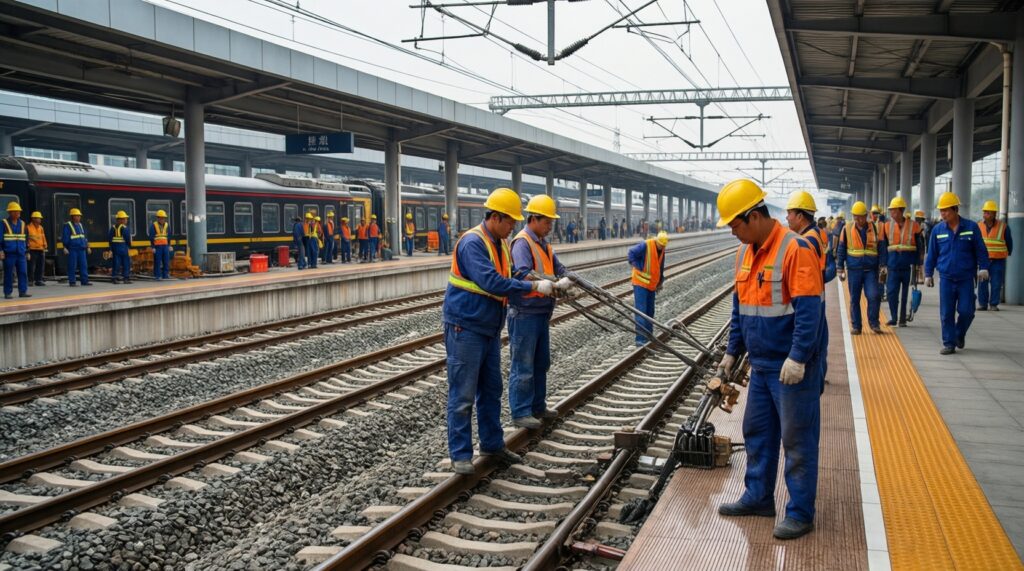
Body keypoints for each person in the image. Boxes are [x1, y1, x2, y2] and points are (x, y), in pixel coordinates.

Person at [714, 178, 824, 541]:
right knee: (758, 433)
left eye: (734, 225)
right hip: (761, 367)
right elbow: (740, 309)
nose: (733, 232)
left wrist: (798, 357)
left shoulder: (796, 248)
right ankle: (759, 496)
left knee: (797, 439)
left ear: (754, 216)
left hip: (792, 369)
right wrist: (733, 351)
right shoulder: (746, 252)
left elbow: (810, 311)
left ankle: (800, 513)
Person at [442, 187, 555, 475]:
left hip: (489, 328)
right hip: (465, 326)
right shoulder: (472, 243)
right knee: (463, 394)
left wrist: (540, 279)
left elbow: (511, 273)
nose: (513, 227)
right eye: (510, 222)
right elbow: (491, 281)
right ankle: (460, 455)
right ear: (495, 217)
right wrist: (532, 287)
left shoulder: (501, 243)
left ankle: (491, 444)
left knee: (491, 389)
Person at [508, 195, 573, 430]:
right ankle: (521, 411)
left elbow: (558, 266)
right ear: (534, 219)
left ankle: (537, 405)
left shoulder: (543, 242)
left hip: (540, 312)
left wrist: (566, 277)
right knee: (523, 364)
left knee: (541, 362)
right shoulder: (522, 242)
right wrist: (553, 283)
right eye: (547, 222)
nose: (550, 226)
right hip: (525, 312)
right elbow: (524, 272)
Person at [925, 192, 990, 354]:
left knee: (967, 311)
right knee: (946, 313)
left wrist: (984, 267)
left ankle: (959, 334)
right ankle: (949, 343)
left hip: (966, 278)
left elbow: (981, 250)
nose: (943, 214)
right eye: (941, 211)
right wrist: (928, 274)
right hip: (946, 278)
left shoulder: (971, 227)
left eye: (946, 210)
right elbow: (932, 254)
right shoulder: (937, 230)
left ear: (955, 210)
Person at [786, 191, 832, 383]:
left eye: (790, 213)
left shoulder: (808, 240)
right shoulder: (818, 234)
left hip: (812, 298)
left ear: (800, 216)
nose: (787, 217)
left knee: (816, 346)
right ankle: (819, 380)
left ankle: (817, 385)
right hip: (818, 296)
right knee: (821, 344)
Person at [878, 197, 924, 326]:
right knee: (892, 292)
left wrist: (920, 265)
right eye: (890, 210)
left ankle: (903, 319)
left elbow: (920, 246)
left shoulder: (914, 225)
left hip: (908, 265)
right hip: (892, 266)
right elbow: (882, 246)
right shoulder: (886, 226)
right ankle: (894, 317)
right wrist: (882, 264)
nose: (891, 213)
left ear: (901, 211)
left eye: (893, 210)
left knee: (905, 294)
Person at [837, 201, 881, 334]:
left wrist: (883, 265)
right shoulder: (847, 228)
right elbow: (841, 249)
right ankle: (856, 326)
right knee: (854, 299)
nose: (858, 219)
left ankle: (874, 323)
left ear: (866, 215)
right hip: (854, 270)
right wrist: (840, 268)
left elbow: (882, 248)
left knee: (873, 296)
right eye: (855, 216)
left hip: (870, 270)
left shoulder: (874, 228)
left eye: (861, 216)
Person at [628, 230, 668, 346]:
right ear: (657, 241)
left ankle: (649, 336)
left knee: (650, 311)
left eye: (663, 246)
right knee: (641, 311)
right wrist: (638, 266)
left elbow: (660, 265)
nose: (662, 247)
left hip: (651, 285)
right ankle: (640, 340)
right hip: (640, 283)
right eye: (661, 245)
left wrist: (660, 281)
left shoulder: (662, 249)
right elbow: (631, 253)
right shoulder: (646, 245)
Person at [978, 200, 1013, 311]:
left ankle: (993, 304)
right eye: (984, 212)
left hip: (998, 260)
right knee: (982, 282)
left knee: (996, 283)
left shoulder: (1003, 227)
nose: (985, 215)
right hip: (984, 260)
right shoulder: (978, 226)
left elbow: (1009, 242)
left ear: (994, 214)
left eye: (988, 213)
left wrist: (1008, 252)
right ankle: (983, 304)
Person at [1, 201, 30, 299]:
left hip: (21, 253)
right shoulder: (4, 223)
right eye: (16, 211)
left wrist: (27, 251)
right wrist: (1, 251)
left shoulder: (22, 224)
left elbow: (26, 239)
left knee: (23, 272)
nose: (18, 213)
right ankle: (7, 292)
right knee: (9, 273)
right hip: (9, 253)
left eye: (19, 211)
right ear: (10, 212)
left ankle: (23, 291)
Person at [62, 208, 91, 287]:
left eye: (79, 216)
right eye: (77, 216)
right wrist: (64, 247)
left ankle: (84, 281)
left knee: (83, 265)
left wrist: (88, 247)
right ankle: (72, 282)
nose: (78, 217)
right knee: (72, 265)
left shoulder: (81, 225)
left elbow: (85, 237)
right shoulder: (68, 225)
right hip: (72, 249)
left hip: (81, 249)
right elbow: (65, 237)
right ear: (72, 216)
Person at [108, 210, 133, 284]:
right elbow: (127, 238)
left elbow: (110, 239)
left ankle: (114, 278)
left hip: (115, 248)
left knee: (116, 263)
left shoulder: (112, 228)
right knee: (126, 263)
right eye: (125, 219)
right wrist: (129, 246)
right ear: (121, 220)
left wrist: (111, 249)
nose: (126, 220)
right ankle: (126, 278)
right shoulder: (125, 228)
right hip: (123, 248)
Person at [26, 211, 47, 287]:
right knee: (31, 266)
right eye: (39, 218)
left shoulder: (41, 227)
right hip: (32, 249)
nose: (40, 220)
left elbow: (43, 237)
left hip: (40, 249)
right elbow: (27, 239)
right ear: (33, 219)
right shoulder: (28, 227)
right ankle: (30, 280)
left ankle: (39, 280)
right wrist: (27, 250)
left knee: (40, 265)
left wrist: (45, 245)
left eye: (40, 218)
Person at [149, 210, 171, 280]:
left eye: (163, 218)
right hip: (157, 247)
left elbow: (169, 236)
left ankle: (165, 275)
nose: (162, 219)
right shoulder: (154, 226)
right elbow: (151, 237)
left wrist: (169, 245)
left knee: (166, 261)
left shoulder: (167, 225)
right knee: (157, 261)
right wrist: (153, 247)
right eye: (160, 218)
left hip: (165, 246)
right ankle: (157, 275)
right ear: (157, 218)